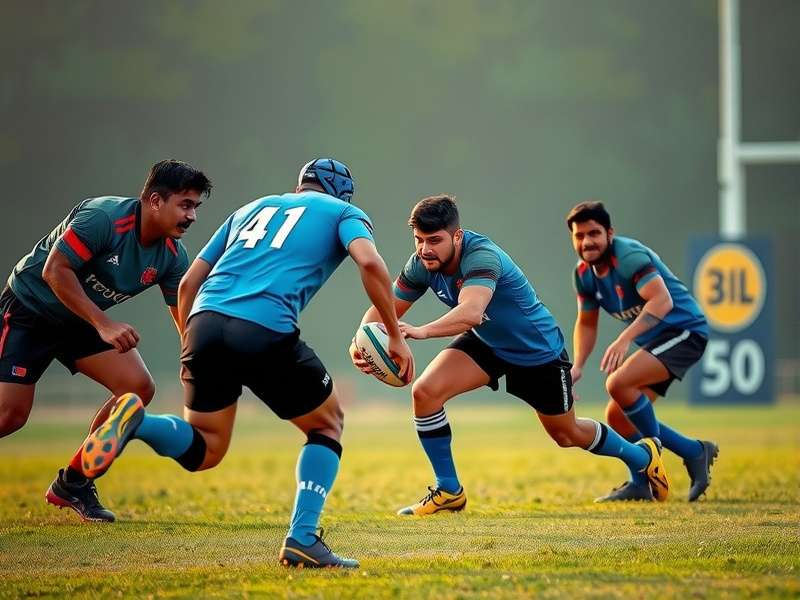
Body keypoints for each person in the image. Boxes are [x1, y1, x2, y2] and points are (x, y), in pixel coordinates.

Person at [81, 158, 413, 568]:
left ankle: (139, 423)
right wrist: (395, 335)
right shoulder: (345, 213)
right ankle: (303, 537)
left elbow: (187, 283)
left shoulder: (250, 208)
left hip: (203, 321)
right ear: (342, 194)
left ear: (300, 186)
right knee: (326, 424)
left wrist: (194, 344)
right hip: (263, 326)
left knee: (206, 447)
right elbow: (369, 262)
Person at [350, 195, 668, 516]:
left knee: (567, 434)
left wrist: (421, 331)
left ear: (457, 236)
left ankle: (642, 457)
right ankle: (449, 490)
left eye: (434, 240)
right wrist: (361, 343)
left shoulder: (481, 256)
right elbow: (383, 309)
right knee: (426, 393)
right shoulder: (421, 264)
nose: (425, 249)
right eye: (419, 240)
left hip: (537, 351)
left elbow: (471, 312)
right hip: (487, 344)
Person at [0, 159, 211, 521]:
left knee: (137, 388)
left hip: (82, 321)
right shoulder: (103, 218)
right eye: (185, 204)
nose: (192, 216)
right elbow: (54, 271)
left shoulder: (173, 257)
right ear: (155, 201)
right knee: (10, 416)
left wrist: (200, 366)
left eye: (195, 207)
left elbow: (184, 319)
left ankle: (74, 482)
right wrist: (103, 323)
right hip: (30, 310)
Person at [567, 201, 718, 502]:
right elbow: (586, 323)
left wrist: (624, 339)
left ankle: (655, 462)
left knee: (618, 383)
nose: (587, 242)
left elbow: (662, 301)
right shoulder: (583, 274)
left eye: (594, 233)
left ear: (610, 233)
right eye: (579, 235)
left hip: (686, 331)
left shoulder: (629, 257)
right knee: (618, 416)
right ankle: (680, 459)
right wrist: (578, 366)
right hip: (657, 341)